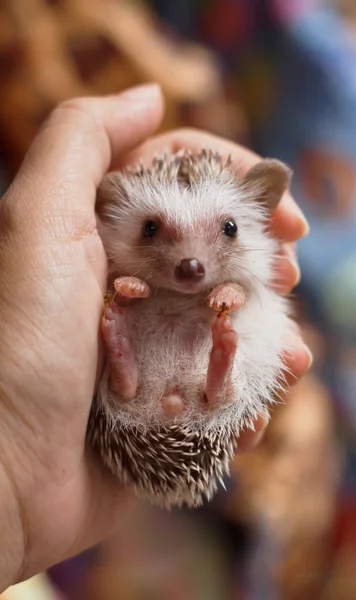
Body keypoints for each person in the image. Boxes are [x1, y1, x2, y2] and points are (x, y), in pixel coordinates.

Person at [0, 83, 311, 592]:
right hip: (144, 397)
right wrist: (10, 464)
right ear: (111, 218)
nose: (190, 261)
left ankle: (177, 373)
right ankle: (199, 374)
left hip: (156, 389)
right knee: (200, 326)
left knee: (250, 318)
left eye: (228, 229)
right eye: (151, 231)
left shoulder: (239, 269)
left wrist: (12, 481)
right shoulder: (104, 259)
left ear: (257, 215)